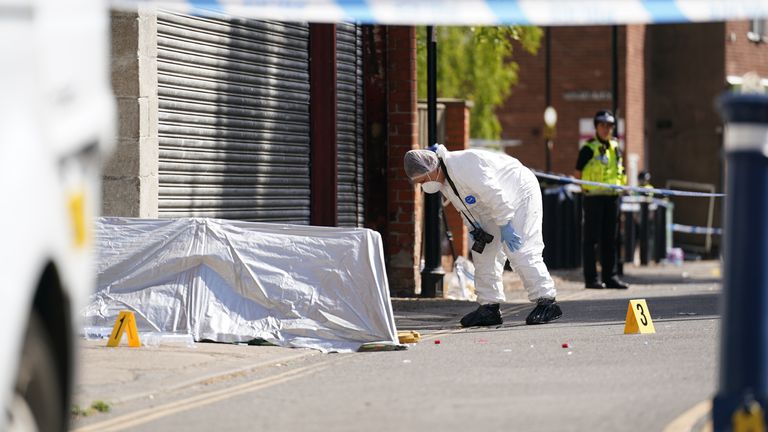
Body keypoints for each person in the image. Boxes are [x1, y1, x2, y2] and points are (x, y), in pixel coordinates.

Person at [403, 144, 562, 326]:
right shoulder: (444, 181)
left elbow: (494, 194)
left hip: (519, 193)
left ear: (432, 168)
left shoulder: (465, 164)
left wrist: (505, 224)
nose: (424, 186)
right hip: (492, 205)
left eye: (423, 181)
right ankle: (489, 307)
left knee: (520, 250)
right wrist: (474, 229)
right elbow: (466, 208)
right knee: (483, 253)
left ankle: (547, 301)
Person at [574, 110, 629, 289]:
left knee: (610, 239)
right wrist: (587, 191)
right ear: (596, 127)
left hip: (612, 198)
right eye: (603, 125)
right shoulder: (588, 148)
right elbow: (577, 174)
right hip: (593, 198)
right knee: (591, 240)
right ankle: (591, 279)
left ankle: (610, 276)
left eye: (609, 126)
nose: (606, 129)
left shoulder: (616, 147)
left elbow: (620, 170)